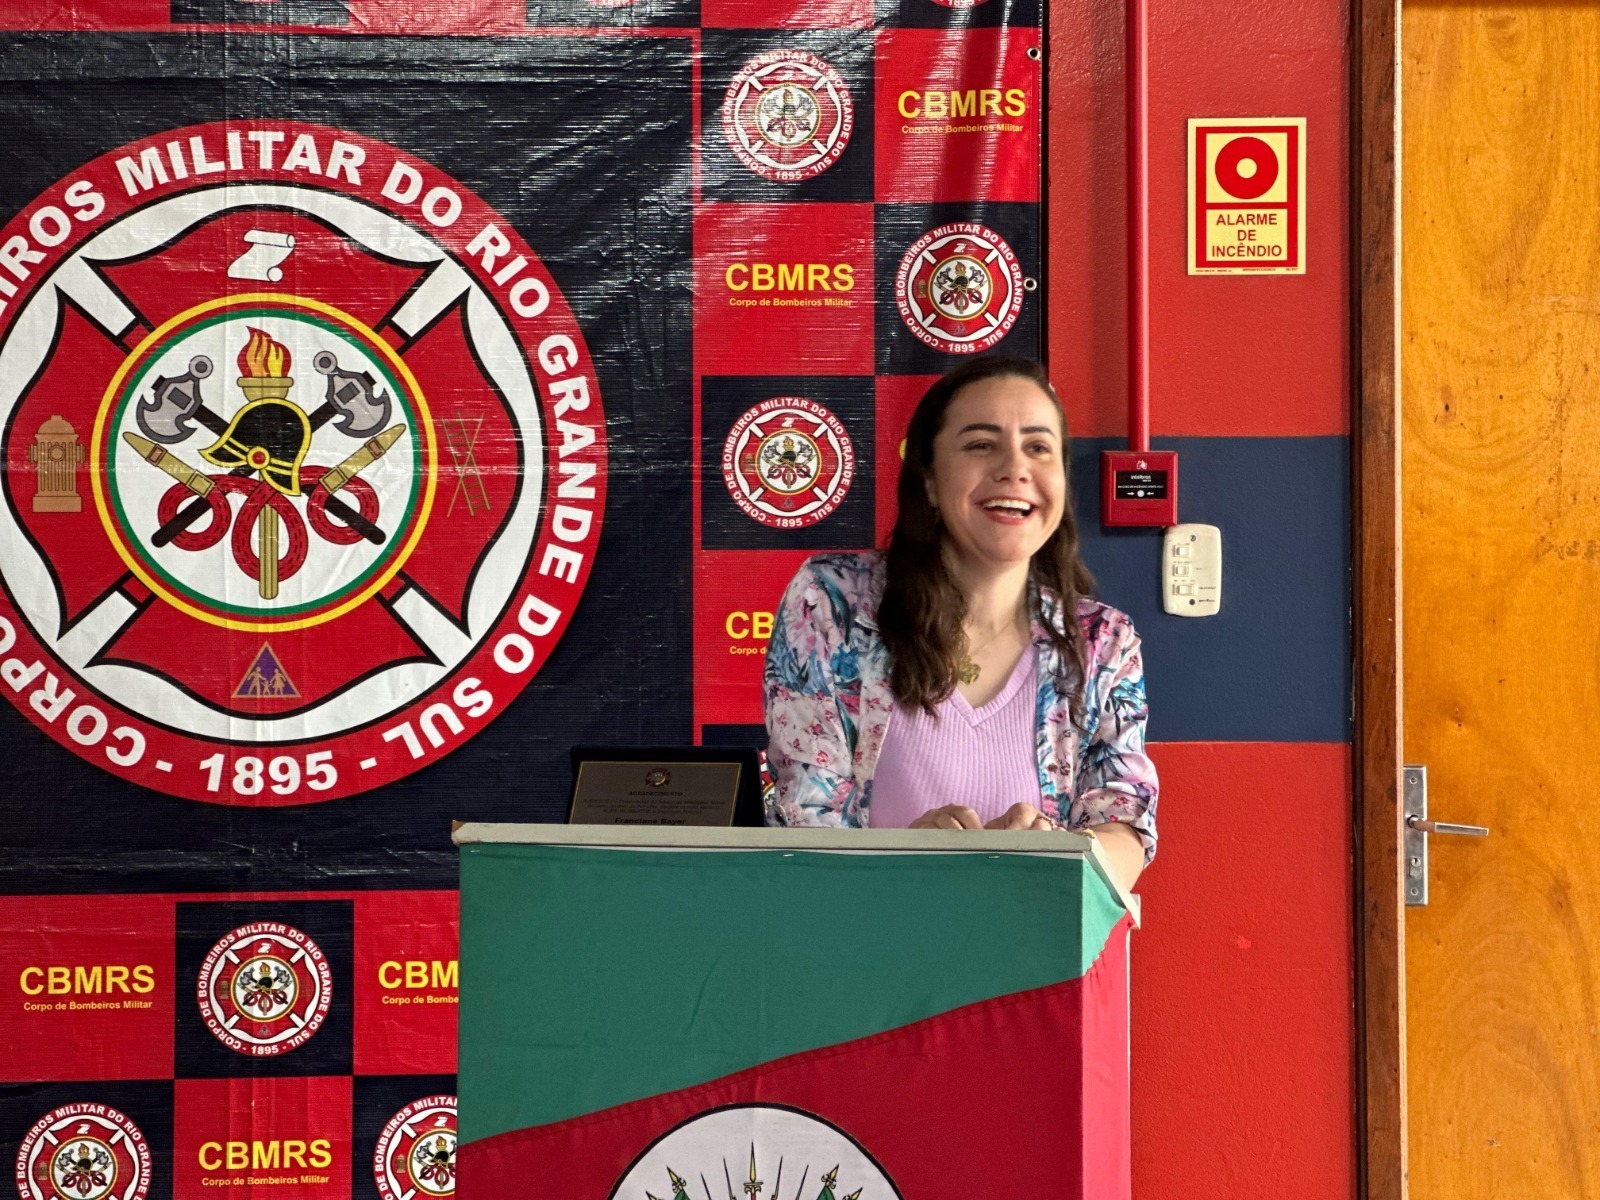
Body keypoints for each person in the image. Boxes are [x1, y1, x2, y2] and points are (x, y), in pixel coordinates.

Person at [763, 356, 1157, 889]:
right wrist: (911, 858)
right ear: (928, 479)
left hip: (1034, 939)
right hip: (863, 933)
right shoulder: (832, 603)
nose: (1014, 468)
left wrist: (1053, 853)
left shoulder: (1101, 641)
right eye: (981, 444)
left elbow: (1124, 821)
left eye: (1038, 448)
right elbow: (803, 823)